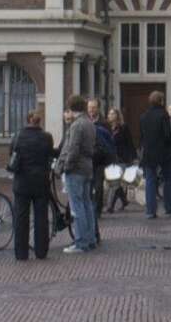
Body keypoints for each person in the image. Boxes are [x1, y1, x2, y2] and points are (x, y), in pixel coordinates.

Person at [9, 107, 54, 261]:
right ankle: (41, 251)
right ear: (38, 121)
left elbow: (12, 154)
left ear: (27, 120)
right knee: (41, 217)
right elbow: (50, 155)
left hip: (22, 182)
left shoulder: (18, 136)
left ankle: (21, 253)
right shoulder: (47, 137)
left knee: (21, 218)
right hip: (41, 181)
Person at [57, 95, 98, 253]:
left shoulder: (76, 125)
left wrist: (65, 167)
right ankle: (91, 239)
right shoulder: (89, 123)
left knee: (77, 207)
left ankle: (80, 242)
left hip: (76, 170)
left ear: (71, 107)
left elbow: (73, 149)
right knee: (87, 205)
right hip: (87, 167)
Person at [138, 89, 171, 218]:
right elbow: (167, 135)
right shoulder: (163, 115)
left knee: (150, 181)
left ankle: (150, 211)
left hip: (149, 152)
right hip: (163, 152)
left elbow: (142, 137)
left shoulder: (143, 116)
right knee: (168, 179)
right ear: (161, 101)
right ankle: (169, 208)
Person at [105, 107, 135, 214]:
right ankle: (124, 200)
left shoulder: (123, 127)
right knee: (115, 183)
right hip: (110, 158)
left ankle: (109, 206)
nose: (111, 116)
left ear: (117, 115)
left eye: (113, 114)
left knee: (115, 182)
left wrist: (133, 158)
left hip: (122, 158)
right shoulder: (107, 128)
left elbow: (129, 142)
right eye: (109, 114)